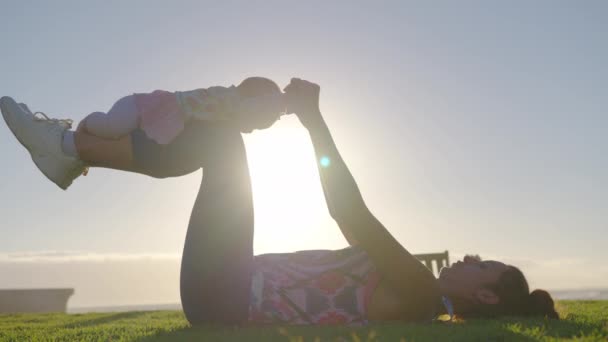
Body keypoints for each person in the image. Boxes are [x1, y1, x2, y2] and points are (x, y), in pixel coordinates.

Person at [0, 78, 559, 326]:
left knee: (222, 141)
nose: (468, 257)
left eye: (481, 266)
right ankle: (69, 149)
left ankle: (69, 147)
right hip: (226, 282)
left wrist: (314, 120)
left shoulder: (416, 288)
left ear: (484, 294)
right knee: (221, 141)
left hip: (223, 294)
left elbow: (350, 212)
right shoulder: (416, 292)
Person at [0, 76, 286, 189]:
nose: (253, 128)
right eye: (260, 121)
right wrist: (286, 102)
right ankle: (71, 141)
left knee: (217, 140)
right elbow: (254, 106)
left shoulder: (225, 121)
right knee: (112, 126)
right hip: (142, 107)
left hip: (165, 132)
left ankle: (65, 150)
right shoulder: (228, 98)